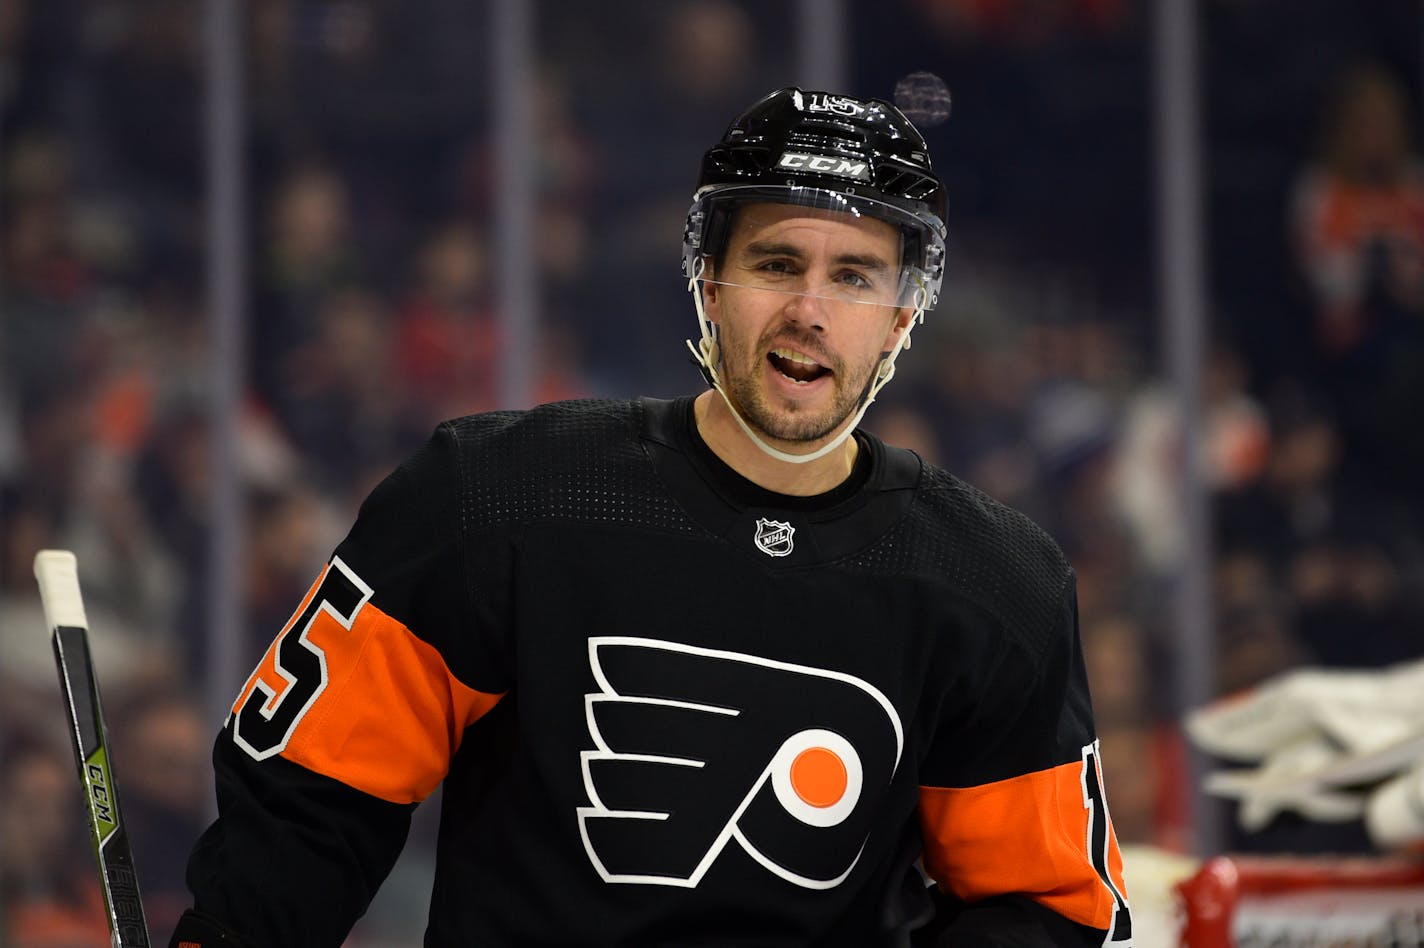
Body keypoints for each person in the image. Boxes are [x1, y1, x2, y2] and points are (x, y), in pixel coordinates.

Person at [169, 87, 1133, 947]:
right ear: (707, 280)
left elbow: (1042, 906)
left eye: (855, 276)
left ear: (903, 314)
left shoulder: (996, 583)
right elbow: (316, 794)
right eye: (776, 261)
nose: (809, 309)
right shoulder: (497, 495)